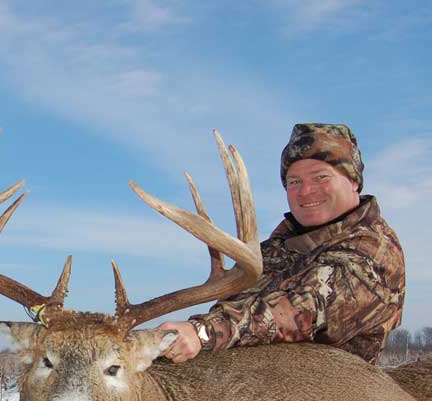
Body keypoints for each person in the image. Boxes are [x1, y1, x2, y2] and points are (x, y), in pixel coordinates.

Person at [160, 123, 404, 365]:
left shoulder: (375, 249)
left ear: (353, 182)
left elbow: (303, 309)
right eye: (294, 181)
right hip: (242, 383)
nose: (306, 191)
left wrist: (202, 332)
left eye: (321, 177)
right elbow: (229, 310)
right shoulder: (272, 251)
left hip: (327, 396)